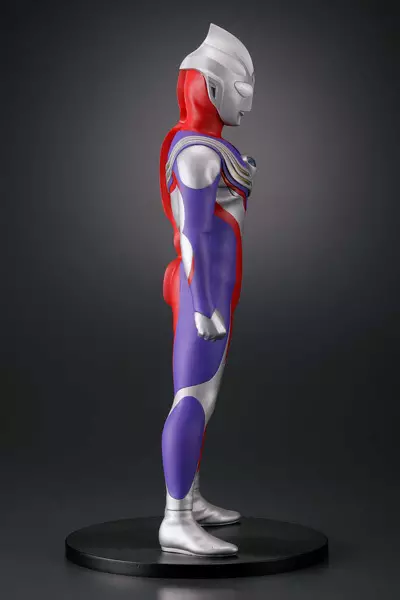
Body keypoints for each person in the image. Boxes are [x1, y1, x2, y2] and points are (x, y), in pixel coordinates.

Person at [159, 23, 256, 556]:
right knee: (192, 397)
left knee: (205, 397)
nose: (249, 99)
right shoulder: (197, 153)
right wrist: (202, 307)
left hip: (215, 289)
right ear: (212, 87)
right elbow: (192, 234)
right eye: (242, 87)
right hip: (205, 294)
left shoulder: (204, 146)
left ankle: (190, 499)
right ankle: (175, 518)